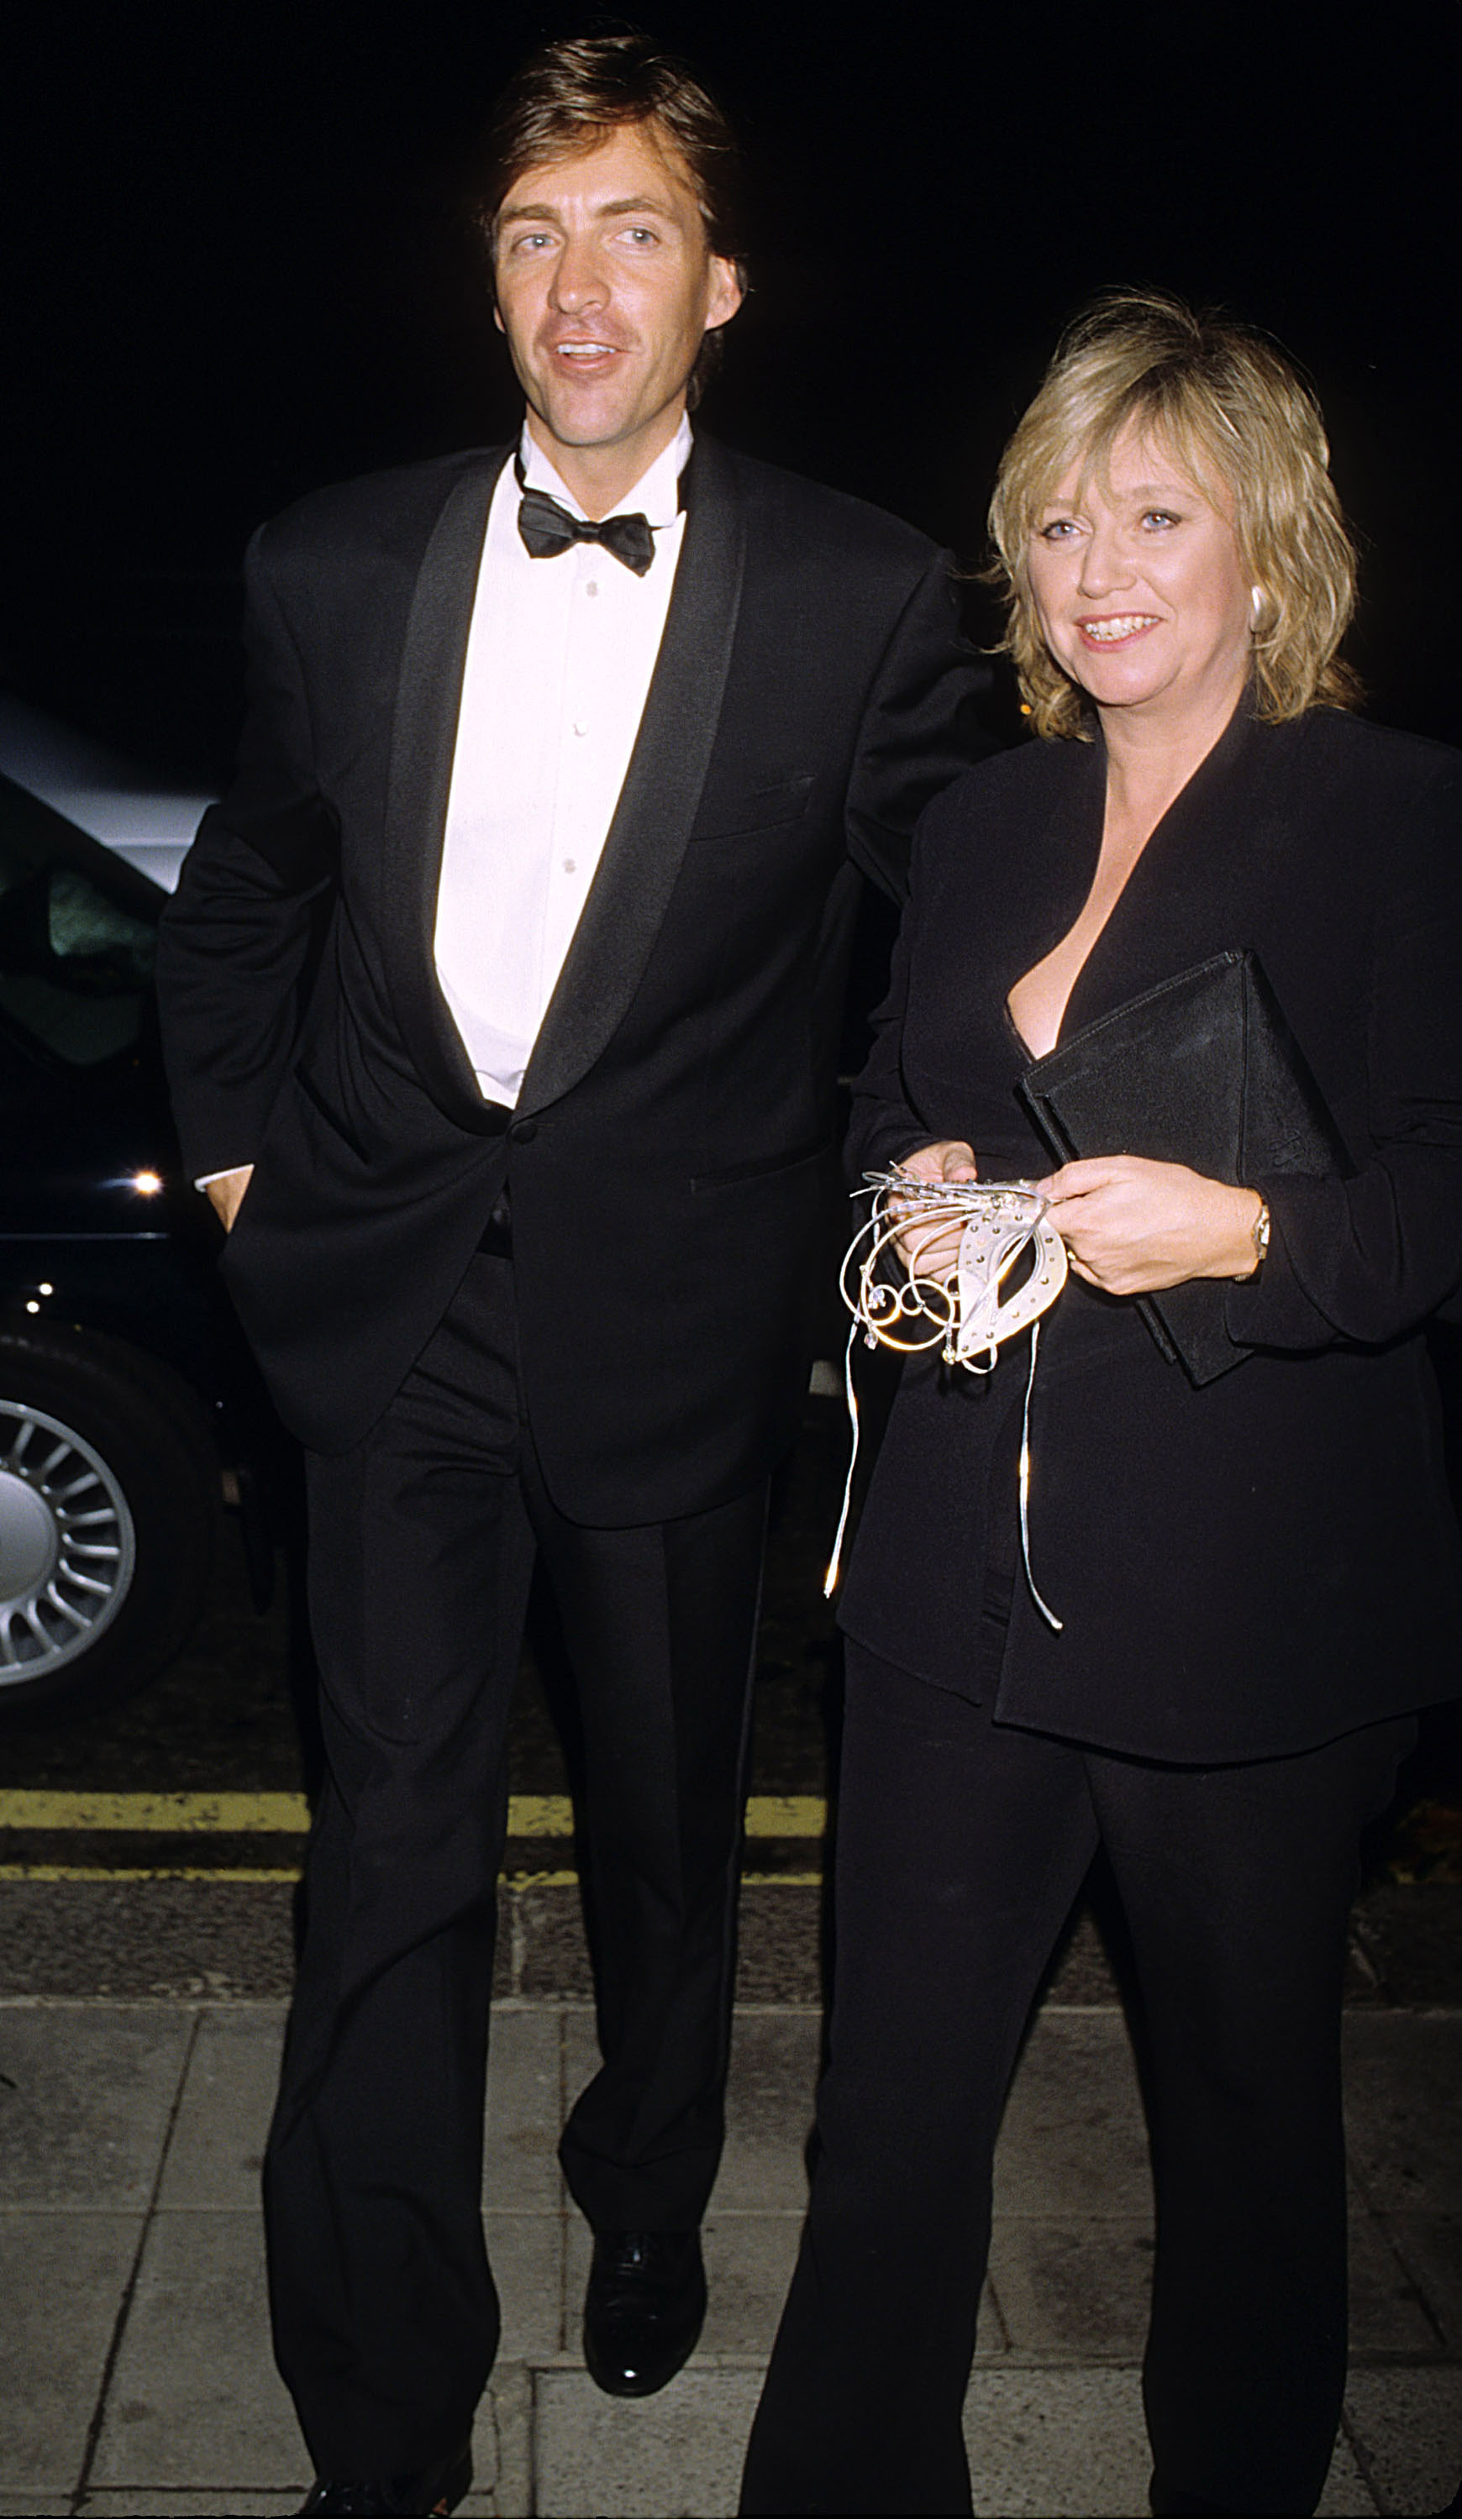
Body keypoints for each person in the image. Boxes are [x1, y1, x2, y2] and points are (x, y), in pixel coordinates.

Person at [155, 30, 976, 2519]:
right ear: (489, 287)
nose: (577, 282)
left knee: (658, 1829)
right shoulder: (328, 561)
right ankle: (382, 2414)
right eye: (532, 234)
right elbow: (245, 897)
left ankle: (645, 2203)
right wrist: (232, 1176)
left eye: (628, 230)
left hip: (672, 1328)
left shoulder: (859, 595)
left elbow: (958, 933)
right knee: (384, 1854)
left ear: (716, 286)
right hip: (384, 1297)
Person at [739, 291, 1462, 2519]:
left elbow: (1435, 1192)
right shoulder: (983, 819)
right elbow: (879, 1104)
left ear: (1268, 548)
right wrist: (923, 1190)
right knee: (890, 2126)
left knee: (1243, 2125)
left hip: (1244, 1616)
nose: (1097, 564)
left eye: (1154, 512)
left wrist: (1248, 1230)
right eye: (1055, 522)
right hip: (953, 1598)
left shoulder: (1391, 818)